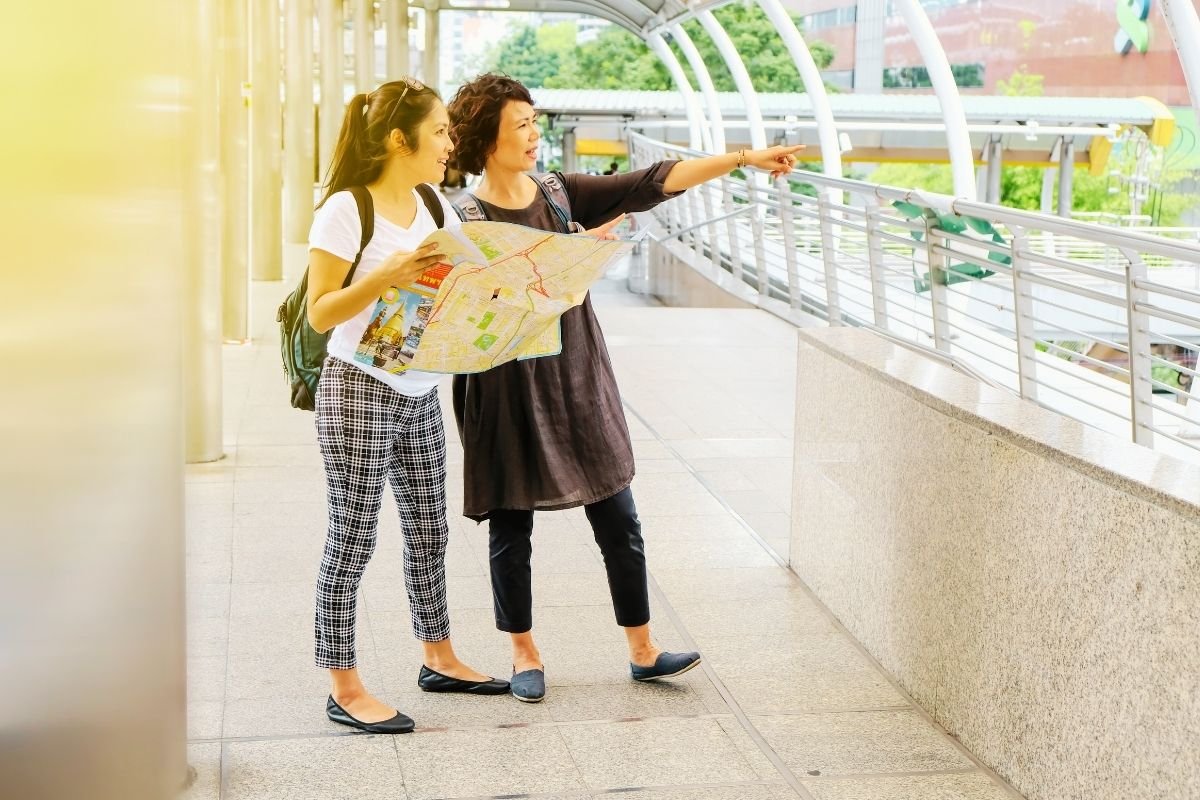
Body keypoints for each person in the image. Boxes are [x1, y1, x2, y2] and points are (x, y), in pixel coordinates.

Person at [445, 73, 803, 703]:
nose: (534, 135)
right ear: (487, 139)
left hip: (576, 375)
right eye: (520, 125)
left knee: (618, 513)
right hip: (504, 383)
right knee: (511, 524)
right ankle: (523, 651)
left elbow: (652, 183)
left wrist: (744, 158)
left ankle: (643, 647)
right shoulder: (464, 220)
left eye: (534, 122)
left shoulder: (559, 195)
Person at [307, 77, 509, 735]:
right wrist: (385, 277)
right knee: (354, 537)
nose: (452, 143)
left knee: (429, 530)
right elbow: (320, 313)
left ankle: (439, 655)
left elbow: (468, 275)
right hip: (359, 387)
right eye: (443, 132)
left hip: (417, 384)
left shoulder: (432, 204)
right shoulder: (346, 209)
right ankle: (344, 684)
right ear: (401, 140)